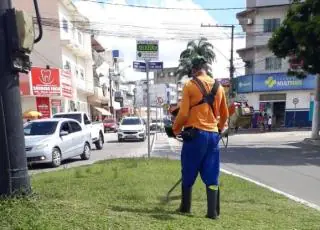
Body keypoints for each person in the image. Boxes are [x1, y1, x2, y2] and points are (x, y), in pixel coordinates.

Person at [172, 56, 229, 219]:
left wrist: (176, 129)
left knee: (188, 169)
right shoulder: (218, 87)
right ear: (205, 68)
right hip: (213, 136)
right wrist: (218, 128)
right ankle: (212, 213)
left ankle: (185, 207)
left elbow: (183, 113)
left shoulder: (190, 85)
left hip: (195, 135)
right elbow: (224, 114)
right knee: (212, 173)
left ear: (193, 70)